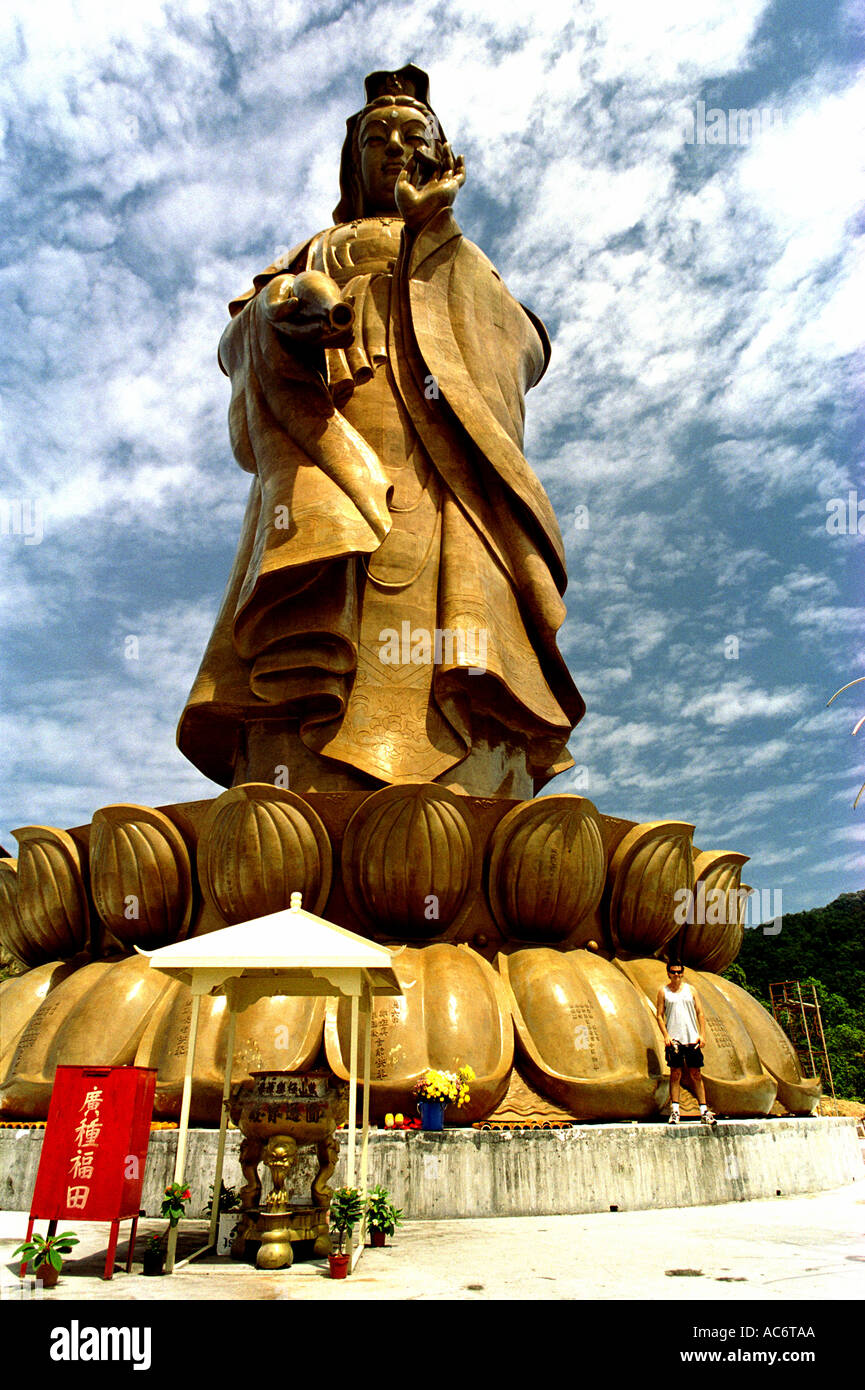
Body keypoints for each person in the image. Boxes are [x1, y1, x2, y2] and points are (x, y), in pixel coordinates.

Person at [177, 65, 585, 797]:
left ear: (440, 153)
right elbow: (238, 336)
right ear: (352, 158)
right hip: (330, 427)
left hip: (442, 451)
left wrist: (437, 236)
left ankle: (464, 766)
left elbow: (523, 345)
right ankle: (297, 767)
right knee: (332, 557)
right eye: (376, 137)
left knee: (448, 580)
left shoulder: (457, 253)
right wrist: (281, 311)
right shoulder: (324, 244)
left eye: (413, 136)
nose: (395, 149)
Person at [656, 961, 717, 1126]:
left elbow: (700, 1013)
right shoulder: (664, 991)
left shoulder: (691, 990)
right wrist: (666, 1035)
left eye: (679, 972)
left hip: (691, 1038)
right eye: (673, 972)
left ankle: (704, 1110)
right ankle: (675, 1110)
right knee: (675, 1074)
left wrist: (702, 1035)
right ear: (668, 973)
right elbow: (659, 1015)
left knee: (696, 1074)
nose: (677, 975)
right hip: (674, 1040)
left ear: (682, 973)